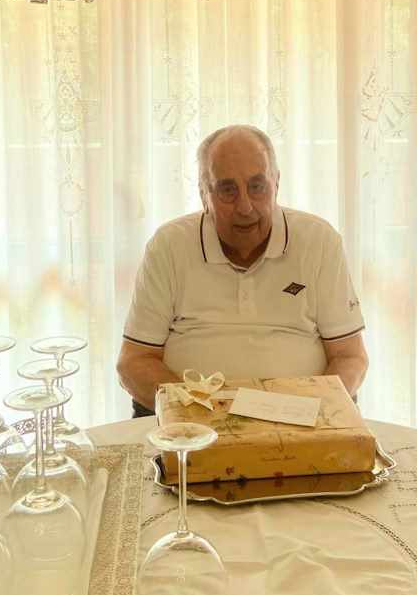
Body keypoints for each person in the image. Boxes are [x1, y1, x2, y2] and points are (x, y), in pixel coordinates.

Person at [116, 124, 368, 417]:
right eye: (228, 190)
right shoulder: (168, 245)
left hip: (301, 421)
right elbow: (134, 363)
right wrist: (201, 412)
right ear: (203, 194)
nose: (245, 207)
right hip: (192, 425)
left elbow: (350, 357)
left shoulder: (320, 241)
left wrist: (314, 413)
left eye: (257, 187)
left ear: (276, 184)